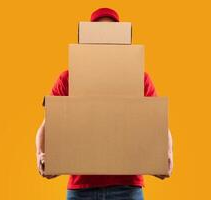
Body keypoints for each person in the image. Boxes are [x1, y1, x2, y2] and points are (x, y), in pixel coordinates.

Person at [36, 7, 173, 200]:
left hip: (128, 188)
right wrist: (41, 154)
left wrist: (167, 154)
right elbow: (48, 123)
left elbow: (157, 122)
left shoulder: (138, 78)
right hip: (81, 189)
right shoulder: (69, 78)